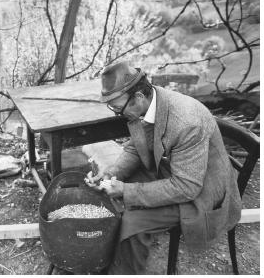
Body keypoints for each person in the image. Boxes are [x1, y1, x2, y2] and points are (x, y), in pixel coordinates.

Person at [85, 61, 242, 274]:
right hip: (183, 172)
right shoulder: (151, 103)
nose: (116, 113)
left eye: (117, 107)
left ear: (139, 97)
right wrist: (112, 173)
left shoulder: (187, 123)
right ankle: (118, 257)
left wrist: (126, 191)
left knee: (134, 221)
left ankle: (124, 270)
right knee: (121, 193)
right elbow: (136, 148)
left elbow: (187, 187)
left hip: (204, 191)